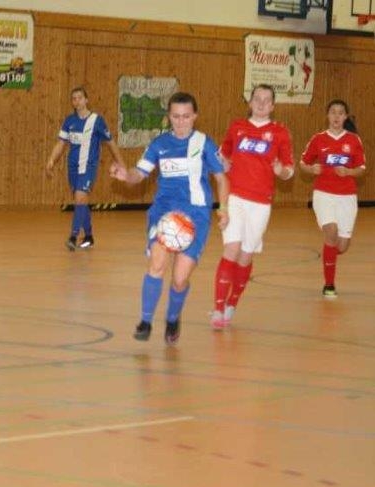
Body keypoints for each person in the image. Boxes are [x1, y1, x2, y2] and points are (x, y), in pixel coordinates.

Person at [110, 91, 229, 345]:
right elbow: (139, 173)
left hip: (195, 215)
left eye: (186, 116)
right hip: (163, 213)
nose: (181, 122)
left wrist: (224, 208)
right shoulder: (159, 144)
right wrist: (126, 175)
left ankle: (173, 318)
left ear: (195, 116)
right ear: (169, 117)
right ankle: (145, 321)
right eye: (176, 116)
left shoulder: (204, 144)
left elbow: (221, 178)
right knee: (157, 265)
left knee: (179, 279)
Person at [210, 84, 294, 329]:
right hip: (235, 197)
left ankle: (232, 303)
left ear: (273, 106)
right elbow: (223, 156)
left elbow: (289, 170)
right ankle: (218, 309)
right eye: (257, 98)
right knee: (232, 249)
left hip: (261, 203)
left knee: (245, 256)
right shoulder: (237, 127)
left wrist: (281, 171)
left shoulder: (280, 132)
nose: (261, 103)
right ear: (250, 102)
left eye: (267, 100)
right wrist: (220, 163)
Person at [299, 99, 367, 298]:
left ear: (345, 117)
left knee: (341, 246)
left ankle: (328, 256)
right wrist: (311, 169)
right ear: (327, 116)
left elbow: (362, 169)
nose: (336, 116)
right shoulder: (318, 139)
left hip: (347, 197)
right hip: (324, 194)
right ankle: (329, 284)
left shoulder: (354, 140)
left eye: (340, 113)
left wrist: (349, 172)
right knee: (331, 231)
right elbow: (303, 163)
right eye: (333, 112)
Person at [46, 87, 125, 251]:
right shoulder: (69, 121)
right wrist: (52, 160)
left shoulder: (97, 121)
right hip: (72, 167)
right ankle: (89, 236)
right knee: (81, 201)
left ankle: (73, 236)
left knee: (80, 197)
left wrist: (121, 163)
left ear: (86, 100)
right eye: (74, 98)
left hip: (88, 166)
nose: (77, 101)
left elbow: (110, 143)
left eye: (80, 97)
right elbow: (61, 143)